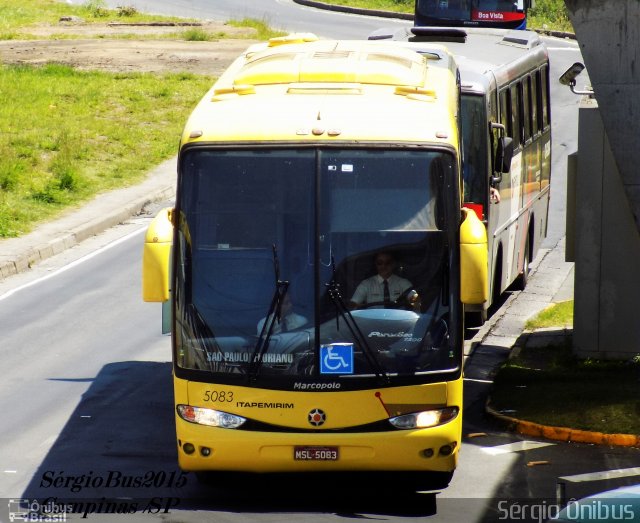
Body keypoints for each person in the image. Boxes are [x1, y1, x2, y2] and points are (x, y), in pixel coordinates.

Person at [349, 251, 418, 310]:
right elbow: (354, 304)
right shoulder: (366, 284)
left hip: (398, 323)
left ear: (393, 264)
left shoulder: (404, 283)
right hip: (372, 323)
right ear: (375, 264)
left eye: (388, 262)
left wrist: (414, 301)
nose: (383, 266)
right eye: (379, 263)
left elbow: (416, 301)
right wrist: (354, 306)